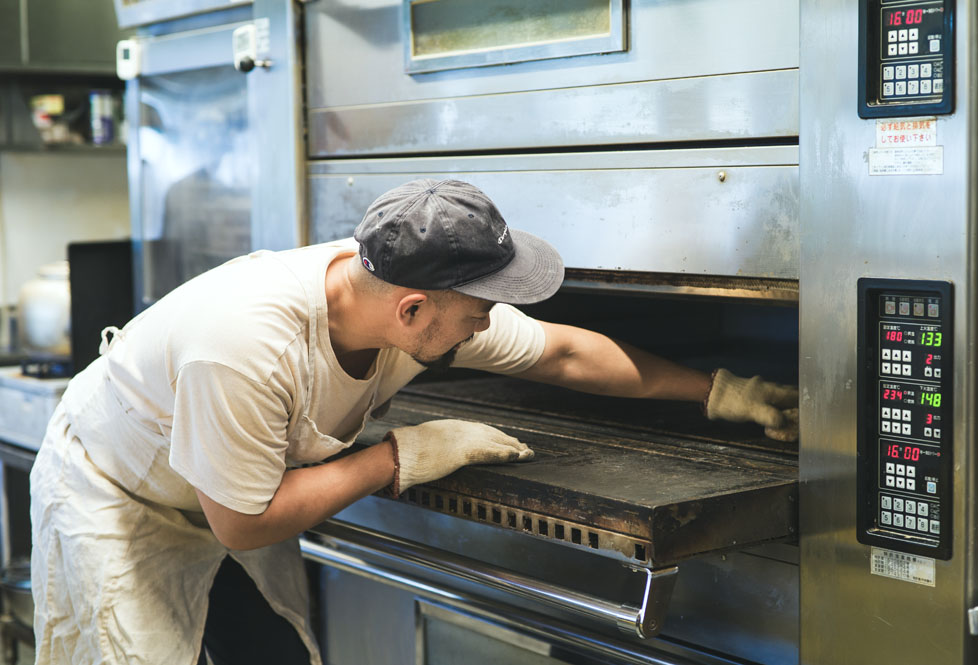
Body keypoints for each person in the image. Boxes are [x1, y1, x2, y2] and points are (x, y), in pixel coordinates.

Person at [29, 179, 797, 665]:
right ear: (413, 310)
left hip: (222, 482)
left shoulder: (410, 302)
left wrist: (719, 391)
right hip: (121, 494)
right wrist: (398, 456)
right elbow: (244, 519)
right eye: (482, 310)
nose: (490, 323)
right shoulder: (244, 349)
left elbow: (562, 353)